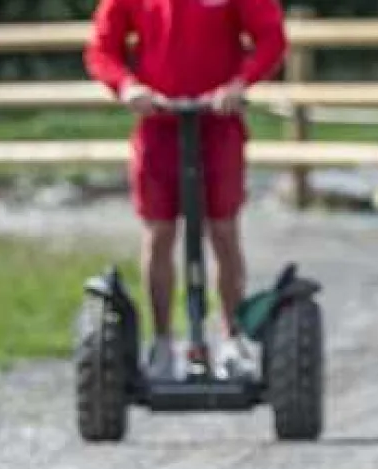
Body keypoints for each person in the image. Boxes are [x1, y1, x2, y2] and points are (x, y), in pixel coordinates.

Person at [84, 0, 289, 380]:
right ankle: (162, 343)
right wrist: (126, 86)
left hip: (217, 121)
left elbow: (271, 38)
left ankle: (231, 339)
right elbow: (102, 47)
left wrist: (240, 82)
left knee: (223, 230)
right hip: (158, 123)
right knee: (158, 234)